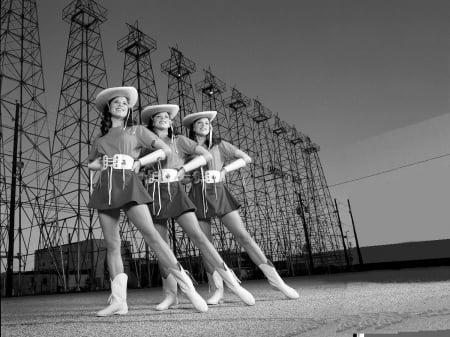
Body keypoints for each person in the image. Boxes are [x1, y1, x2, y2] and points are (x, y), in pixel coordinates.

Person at [87, 87, 208, 316]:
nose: (121, 105)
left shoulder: (137, 130)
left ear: (129, 108)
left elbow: (163, 150)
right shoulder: (100, 139)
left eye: (125, 103)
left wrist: (140, 163)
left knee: (151, 235)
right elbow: (91, 162)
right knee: (112, 244)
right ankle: (119, 302)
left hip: (129, 183)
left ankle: (188, 288)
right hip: (106, 187)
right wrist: (103, 164)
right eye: (116, 103)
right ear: (108, 109)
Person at [140, 104, 255, 310]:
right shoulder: (145, 144)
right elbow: (138, 171)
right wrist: (145, 175)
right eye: (159, 117)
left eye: (167, 116)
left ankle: (232, 284)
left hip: (176, 193)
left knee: (200, 238)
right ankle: (170, 294)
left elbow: (206, 156)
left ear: (171, 122)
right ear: (152, 122)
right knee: (161, 245)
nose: (164, 119)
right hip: (154, 194)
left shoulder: (180, 141)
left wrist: (183, 169)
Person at [182, 111, 300, 305]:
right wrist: (189, 177)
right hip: (197, 195)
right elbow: (183, 175)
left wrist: (225, 170)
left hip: (219, 192)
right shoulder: (187, 150)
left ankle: (277, 282)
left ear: (211, 127)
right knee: (206, 245)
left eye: (207, 123)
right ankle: (217, 289)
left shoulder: (220, 145)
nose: (204, 125)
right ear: (192, 128)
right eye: (199, 123)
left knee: (244, 236)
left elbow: (246, 158)